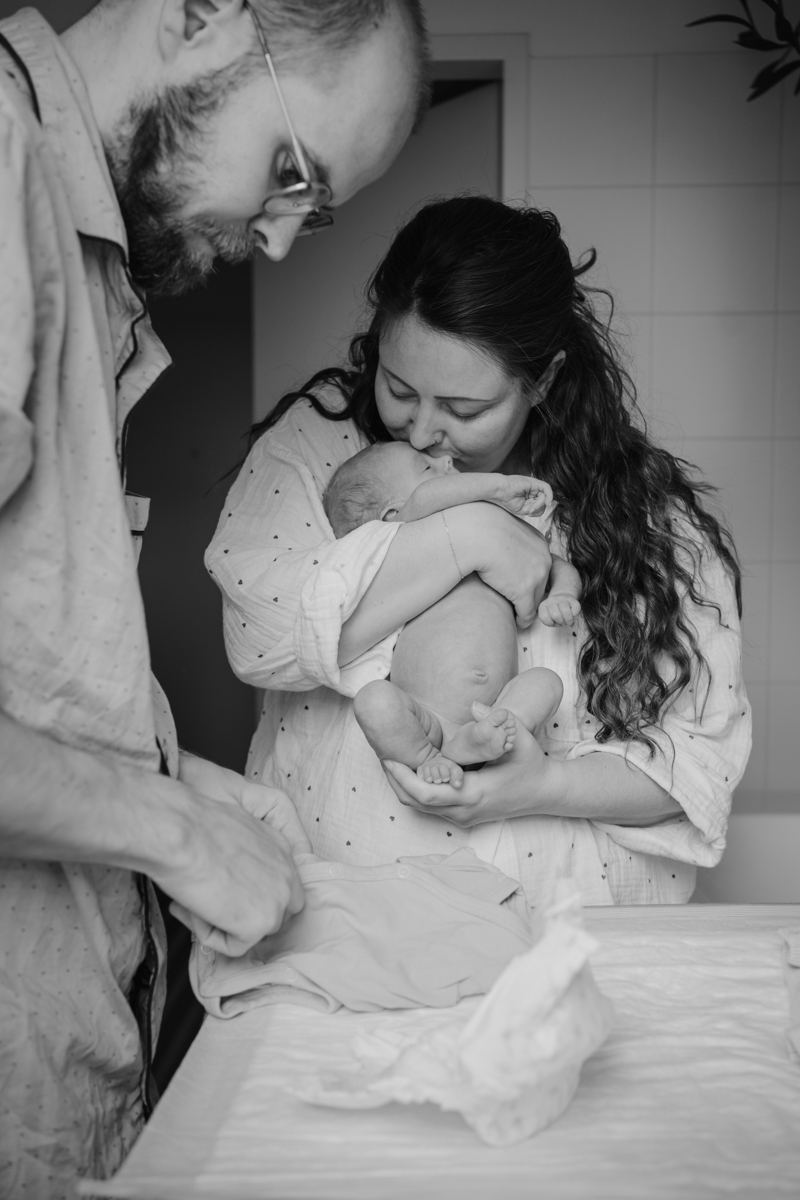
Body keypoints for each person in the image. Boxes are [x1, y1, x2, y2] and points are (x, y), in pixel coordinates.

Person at [0, 0, 428, 1193]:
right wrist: (172, 833)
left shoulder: (78, 249)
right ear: (199, 15)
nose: (281, 242)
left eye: (313, 208)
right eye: (292, 172)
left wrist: (179, 782)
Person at [206, 194, 751, 912]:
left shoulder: (640, 513)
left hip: (571, 923)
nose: (422, 433)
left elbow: (701, 760)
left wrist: (543, 786)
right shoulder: (321, 447)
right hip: (357, 919)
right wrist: (469, 538)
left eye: (465, 411)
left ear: (543, 380)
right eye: (399, 389)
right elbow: (258, 635)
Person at [323, 440, 580, 785]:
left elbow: (551, 563)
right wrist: (499, 485)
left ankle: (491, 735)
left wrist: (562, 593)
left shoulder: (503, 531)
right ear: (391, 516)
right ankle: (425, 757)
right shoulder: (405, 533)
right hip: (424, 717)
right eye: (427, 467)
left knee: (546, 683)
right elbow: (426, 498)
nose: (445, 459)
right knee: (373, 701)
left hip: (494, 710)